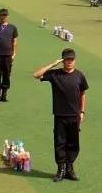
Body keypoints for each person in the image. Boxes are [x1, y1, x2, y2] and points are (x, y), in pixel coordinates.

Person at [33, 49, 89, 182]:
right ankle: (61, 169)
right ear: (63, 61)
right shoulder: (55, 74)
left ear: (74, 60)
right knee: (60, 143)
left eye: (71, 59)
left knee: (73, 144)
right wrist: (53, 64)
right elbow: (36, 75)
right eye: (66, 60)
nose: (69, 62)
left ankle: (69, 168)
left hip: (74, 116)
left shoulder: (79, 76)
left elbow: (83, 95)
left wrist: (82, 112)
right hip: (60, 115)